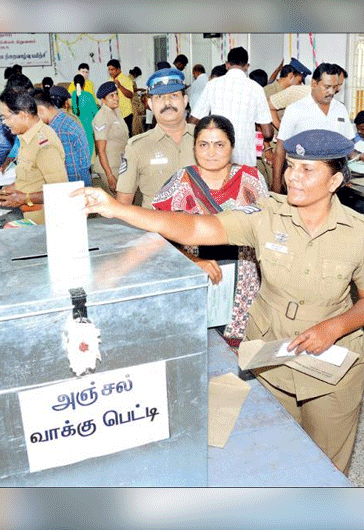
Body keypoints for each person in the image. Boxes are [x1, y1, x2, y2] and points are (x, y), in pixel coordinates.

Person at [73, 129, 364, 474]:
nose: (292, 177)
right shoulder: (264, 216)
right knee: (278, 456)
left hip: (331, 368)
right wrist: (117, 209)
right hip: (273, 356)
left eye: (307, 170)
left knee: (328, 466)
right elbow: (195, 228)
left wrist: (335, 327)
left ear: (334, 182)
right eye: (291, 166)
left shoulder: (356, 233)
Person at [151, 115, 269, 345]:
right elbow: (155, 235)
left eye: (220, 144)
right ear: (194, 147)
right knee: (194, 348)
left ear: (232, 147)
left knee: (238, 359)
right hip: (195, 281)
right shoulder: (180, 181)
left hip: (244, 288)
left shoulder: (251, 179)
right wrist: (190, 262)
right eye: (203, 144)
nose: (211, 152)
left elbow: (268, 229)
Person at [116, 68, 195, 209]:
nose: (167, 102)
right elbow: (123, 203)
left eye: (174, 95)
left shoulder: (205, 140)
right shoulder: (137, 147)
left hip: (202, 228)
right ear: (150, 105)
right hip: (156, 229)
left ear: (185, 100)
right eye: (159, 97)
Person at [273, 63, 356, 193]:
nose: (331, 92)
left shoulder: (340, 109)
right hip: (302, 180)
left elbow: (347, 144)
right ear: (313, 84)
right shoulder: (295, 110)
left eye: (335, 87)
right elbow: (280, 149)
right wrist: (276, 183)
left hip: (333, 182)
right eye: (327, 87)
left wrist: (357, 158)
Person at [0, 86, 68, 224]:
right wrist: (8, 191)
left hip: (44, 222)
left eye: (5, 117)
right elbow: (32, 178)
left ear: (23, 115)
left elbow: (60, 191)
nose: (4, 122)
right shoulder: (25, 138)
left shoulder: (44, 145)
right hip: (28, 217)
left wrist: (23, 198)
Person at [189, 47, 273, 168]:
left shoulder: (212, 85)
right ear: (247, 66)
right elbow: (268, 133)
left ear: (227, 65)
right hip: (245, 162)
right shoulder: (256, 89)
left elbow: (193, 121)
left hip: (218, 159)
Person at [33, 88, 91, 187]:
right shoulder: (63, 119)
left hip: (75, 186)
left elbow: (70, 169)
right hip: (81, 180)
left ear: (40, 110)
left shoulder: (59, 129)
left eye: (35, 115)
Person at [92, 81, 129, 194]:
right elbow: (101, 150)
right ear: (103, 100)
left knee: (122, 202)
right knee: (115, 204)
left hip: (120, 163)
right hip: (110, 167)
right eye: (111, 96)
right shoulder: (101, 117)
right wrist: (109, 175)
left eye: (116, 94)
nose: (116, 98)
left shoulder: (117, 111)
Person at [70, 74, 98, 157]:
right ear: (84, 84)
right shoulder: (89, 96)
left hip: (76, 127)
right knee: (89, 152)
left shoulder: (72, 96)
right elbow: (96, 113)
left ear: (74, 84)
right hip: (88, 128)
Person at [107, 59, 135, 134]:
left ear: (118, 69)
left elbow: (130, 95)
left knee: (127, 137)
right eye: (109, 70)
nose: (110, 72)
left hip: (125, 114)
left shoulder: (126, 79)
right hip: (114, 114)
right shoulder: (110, 79)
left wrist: (119, 86)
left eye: (112, 69)